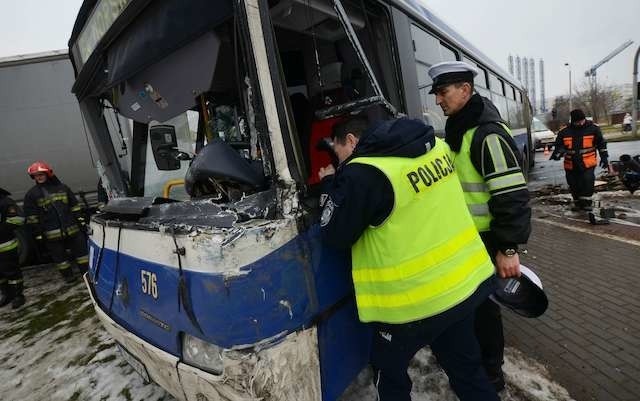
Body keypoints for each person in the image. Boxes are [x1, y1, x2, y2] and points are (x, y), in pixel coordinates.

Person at [319, 115, 500, 401]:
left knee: (389, 378)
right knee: (468, 373)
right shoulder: (436, 146)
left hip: (409, 306)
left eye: (338, 151)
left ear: (352, 141)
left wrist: (330, 183)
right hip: (460, 288)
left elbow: (335, 234)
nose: (339, 159)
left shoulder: (364, 172)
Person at [427, 61, 532, 391]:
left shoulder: (487, 134)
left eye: (443, 93)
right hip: (469, 240)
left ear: (465, 90)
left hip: (488, 242)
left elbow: (512, 196)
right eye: (436, 94)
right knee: (474, 309)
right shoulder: (462, 130)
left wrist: (508, 248)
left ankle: (492, 375)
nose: (438, 101)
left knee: (485, 312)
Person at [23, 162, 89, 283]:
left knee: (82, 255)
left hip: (72, 229)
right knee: (60, 259)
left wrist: (81, 222)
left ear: (47, 174)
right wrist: (38, 234)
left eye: (41, 174)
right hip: (51, 234)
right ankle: (68, 277)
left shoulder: (63, 188)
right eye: (36, 175)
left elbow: (75, 207)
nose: (39, 177)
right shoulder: (32, 194)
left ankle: (87, 273)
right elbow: (32, 217)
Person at [550, 109, 608, 211]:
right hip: (570, 163)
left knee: (587, 181)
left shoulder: (593, 129)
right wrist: (558, 153)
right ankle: (577, 202)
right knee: (573, 183)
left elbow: (601, 144)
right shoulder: (564, 132)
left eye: (582, 120)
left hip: (588, 162)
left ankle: (586, 203)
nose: (580, 123)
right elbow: (558, 146)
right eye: (578, 121)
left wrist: (604, 157)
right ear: (573, 121)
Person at [0, 188, 26, 308]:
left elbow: (18, 219)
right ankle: (6, 294)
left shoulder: (5, 201)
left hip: (6, 245)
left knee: (12, 272)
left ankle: (18, 296)